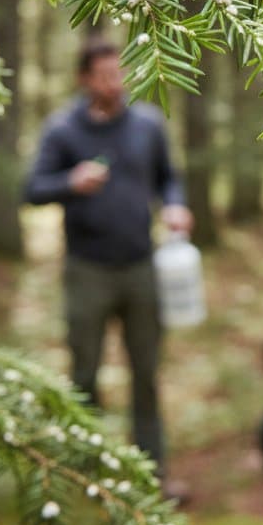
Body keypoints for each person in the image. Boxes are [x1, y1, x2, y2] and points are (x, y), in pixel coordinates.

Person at [25, 38, 193, 494]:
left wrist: (175, 207)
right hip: (87, 270)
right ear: (84, 79)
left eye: (120, 72)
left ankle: (153, 476)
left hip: (142, 267)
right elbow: (33, 189)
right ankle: (90, 474)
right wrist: (70, 182)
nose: (114, 82)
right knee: (85, 374)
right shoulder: (63, 130)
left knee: (146, 373)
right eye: (103, 74)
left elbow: (169, 179)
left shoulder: (147, 124)